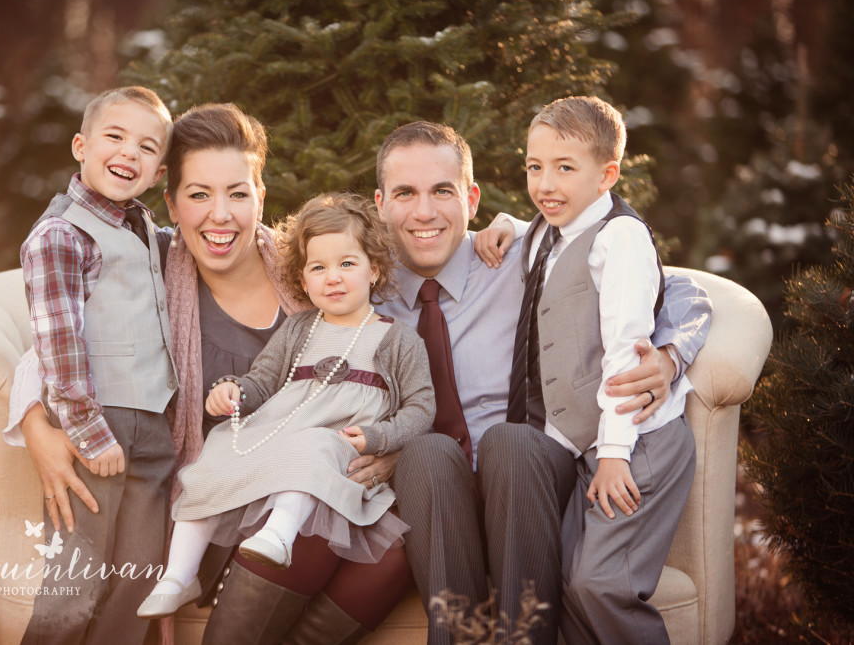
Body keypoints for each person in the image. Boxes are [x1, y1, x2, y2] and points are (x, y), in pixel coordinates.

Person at [7, 104, 416, 645]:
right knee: (312, 523)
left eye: (237, 193)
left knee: (393, 553)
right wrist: (38, 425)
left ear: (260, 197)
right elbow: (51, 344)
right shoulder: (152, 273)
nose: (219, 215)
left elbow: (382, 356)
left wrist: (386, 451)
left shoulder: (309, 274)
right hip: (213, 502)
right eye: (198, 194)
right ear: (170, 201)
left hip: (300, 487)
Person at [366, 120, 712, 644]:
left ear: (471, 198)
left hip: (528, 483)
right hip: (434, 501)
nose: (424, 212)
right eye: (405, 194)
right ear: (380, 203)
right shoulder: (361, 291)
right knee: (426, 453)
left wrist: (669, 354)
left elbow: (678, 287)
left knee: (511, 440)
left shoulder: (515, 257)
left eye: (442, 191)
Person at [137, 193, 435, 620]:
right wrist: (233, 390)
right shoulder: (299, 328)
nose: (332, 277)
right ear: (303, 278)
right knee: (216, 451)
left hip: (338, 444)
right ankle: (180, 575)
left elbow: (422, 407)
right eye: (318, 267)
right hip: (280, 431)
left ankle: (280, 533)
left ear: (375, 269)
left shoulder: (396, 338)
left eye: (347, 264)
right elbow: (262, 380)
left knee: (314, 447)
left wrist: (380, 436)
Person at [515, 96, 696, 644]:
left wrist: (614, 456)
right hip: (590, 449)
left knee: (599, 584)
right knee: (569, 584)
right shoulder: (549, 231)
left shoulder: (620, 239)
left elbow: (626, 355)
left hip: (639, 444)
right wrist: (501, 226)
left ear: (607, 174)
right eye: (534, 166)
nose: (546, 183)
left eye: (565, 168)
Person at [17, 85, 178, 644]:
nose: (129, 153)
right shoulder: (61, 235)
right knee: (76, 582)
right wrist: (87, 431)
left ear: (159, 172)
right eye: (115, 137)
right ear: (81, 145)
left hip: (153, 429)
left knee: (138, 578)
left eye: (147, 147)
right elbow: (57, 344)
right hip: (99, 428)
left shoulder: (142, 230)